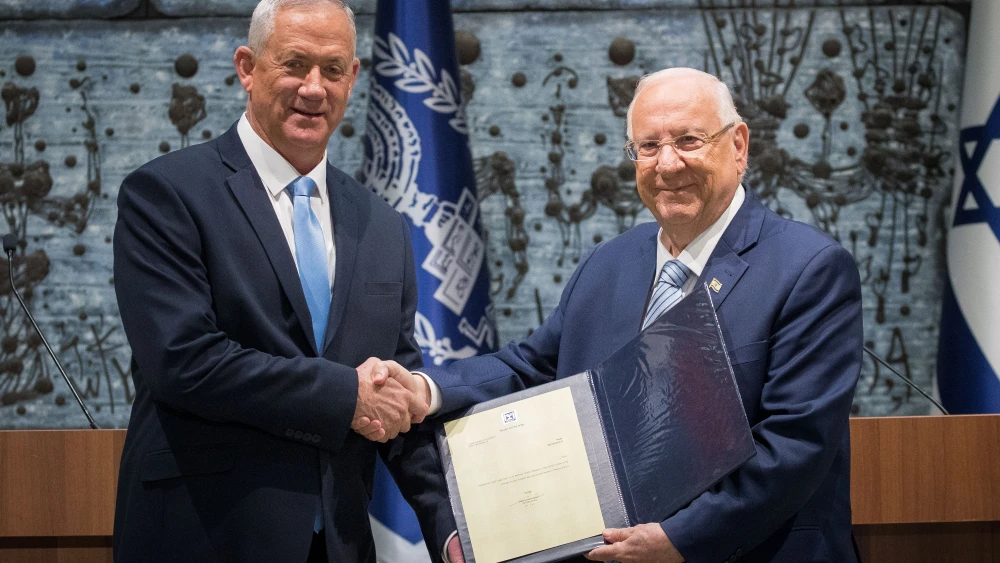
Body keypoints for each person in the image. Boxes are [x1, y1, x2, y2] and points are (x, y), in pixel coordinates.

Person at [358, 67, 863, 563]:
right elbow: (529, 367)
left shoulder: (809, 269)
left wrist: (681, 540)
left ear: (738, 145)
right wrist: (425, 391)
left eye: (688, 140)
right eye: (648, 146)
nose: (667, 164)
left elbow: (795, 446)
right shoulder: (609, 263)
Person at [112, 1, 456, 561]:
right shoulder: (167, 195)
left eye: (333, 69)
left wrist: (450, 525)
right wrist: (346, 394)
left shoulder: (382, 225)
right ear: (247, 67)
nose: (314, 88)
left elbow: (394, 388)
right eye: (295, 64)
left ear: (355, 77)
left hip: (340, 543)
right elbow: (184, 360)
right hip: (205, 535)